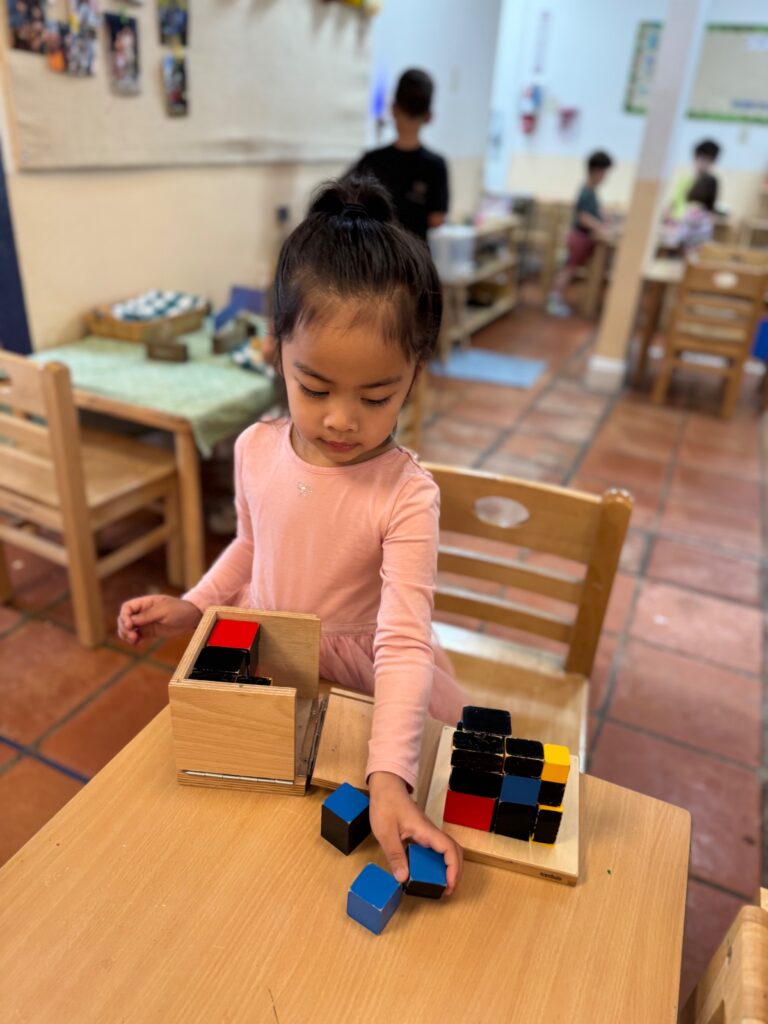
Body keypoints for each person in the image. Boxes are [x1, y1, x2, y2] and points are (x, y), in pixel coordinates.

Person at [117, 175, 466, 893]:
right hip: (273, 658)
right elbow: (252, 548)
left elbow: (404, 641)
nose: (341, 419)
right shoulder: (254, 448)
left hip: (364, 680)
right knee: (247, 844)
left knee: (346, 826)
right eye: (315, 388)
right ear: (277, 350)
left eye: (376, 396)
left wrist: (390, 777)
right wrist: (195, 607)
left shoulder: (407, 495)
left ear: (414, 373)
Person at [352, 69, 449, 241]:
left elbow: (344, 201)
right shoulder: (435, 165)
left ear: (393, 109)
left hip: (375, 254)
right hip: (415, 255)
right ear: (429, 117)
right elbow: (437, 220)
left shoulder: (371, 161)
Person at [547, 150, 614, 317]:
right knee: (568, 270)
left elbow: (596, 211)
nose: (605, 177)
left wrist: (604, 219)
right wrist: (601, 227)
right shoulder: (585, 191)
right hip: (579, 238)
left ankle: (556, 299)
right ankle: (553, 301)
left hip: (584, 238)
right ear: (596, 171)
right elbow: (583, 217)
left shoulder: (592, 191)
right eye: (604, 172)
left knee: (571, 270)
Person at [667, 138, 721, 222]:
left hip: (698, 224)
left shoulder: (711, 182)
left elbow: (711, 208)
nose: (705, 164)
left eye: (709, 160)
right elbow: (674, 202)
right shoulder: (684, 179)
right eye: (703, 159)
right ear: (695, 158)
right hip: (679, 222)